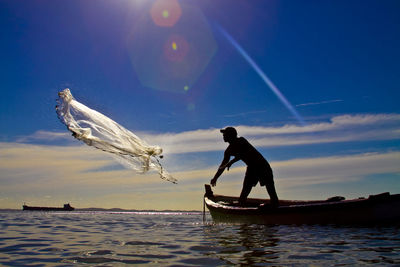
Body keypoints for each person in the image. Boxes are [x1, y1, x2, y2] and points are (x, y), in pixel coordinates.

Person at [210, 127, 279, 207]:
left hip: (262, 165)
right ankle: (242, 203)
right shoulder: (228, 151)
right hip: (251, 168)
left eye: (225, 134)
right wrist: (215, 178)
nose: (223, 136)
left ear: (231, 135)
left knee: (271, 191)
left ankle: (274, 204)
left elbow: (243, 153)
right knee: (244, 193)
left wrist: (231, 162)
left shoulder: (241, 140)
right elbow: (222, 166)